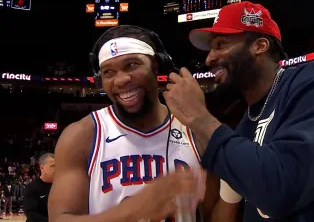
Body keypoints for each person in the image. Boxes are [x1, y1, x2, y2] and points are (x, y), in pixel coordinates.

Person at [162, 1, 314, 222]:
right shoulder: (243, 127)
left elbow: (281, 191)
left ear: (260, 46)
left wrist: (199, 117)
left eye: (220, 44)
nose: (209, 58)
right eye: (211, 48)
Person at [48, 25, 218, 222]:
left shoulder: (193, 129)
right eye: (108, 72)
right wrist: (136, 208)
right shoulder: (81, 135)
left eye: (132, 65)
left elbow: (214, 214)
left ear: (155, 66)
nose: (121, 80)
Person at [23, 153, 55, 222]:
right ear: (42, 168)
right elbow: (31, 215)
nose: (56, 169)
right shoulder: (32, 188)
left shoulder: (61, 186)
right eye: (52, 166)